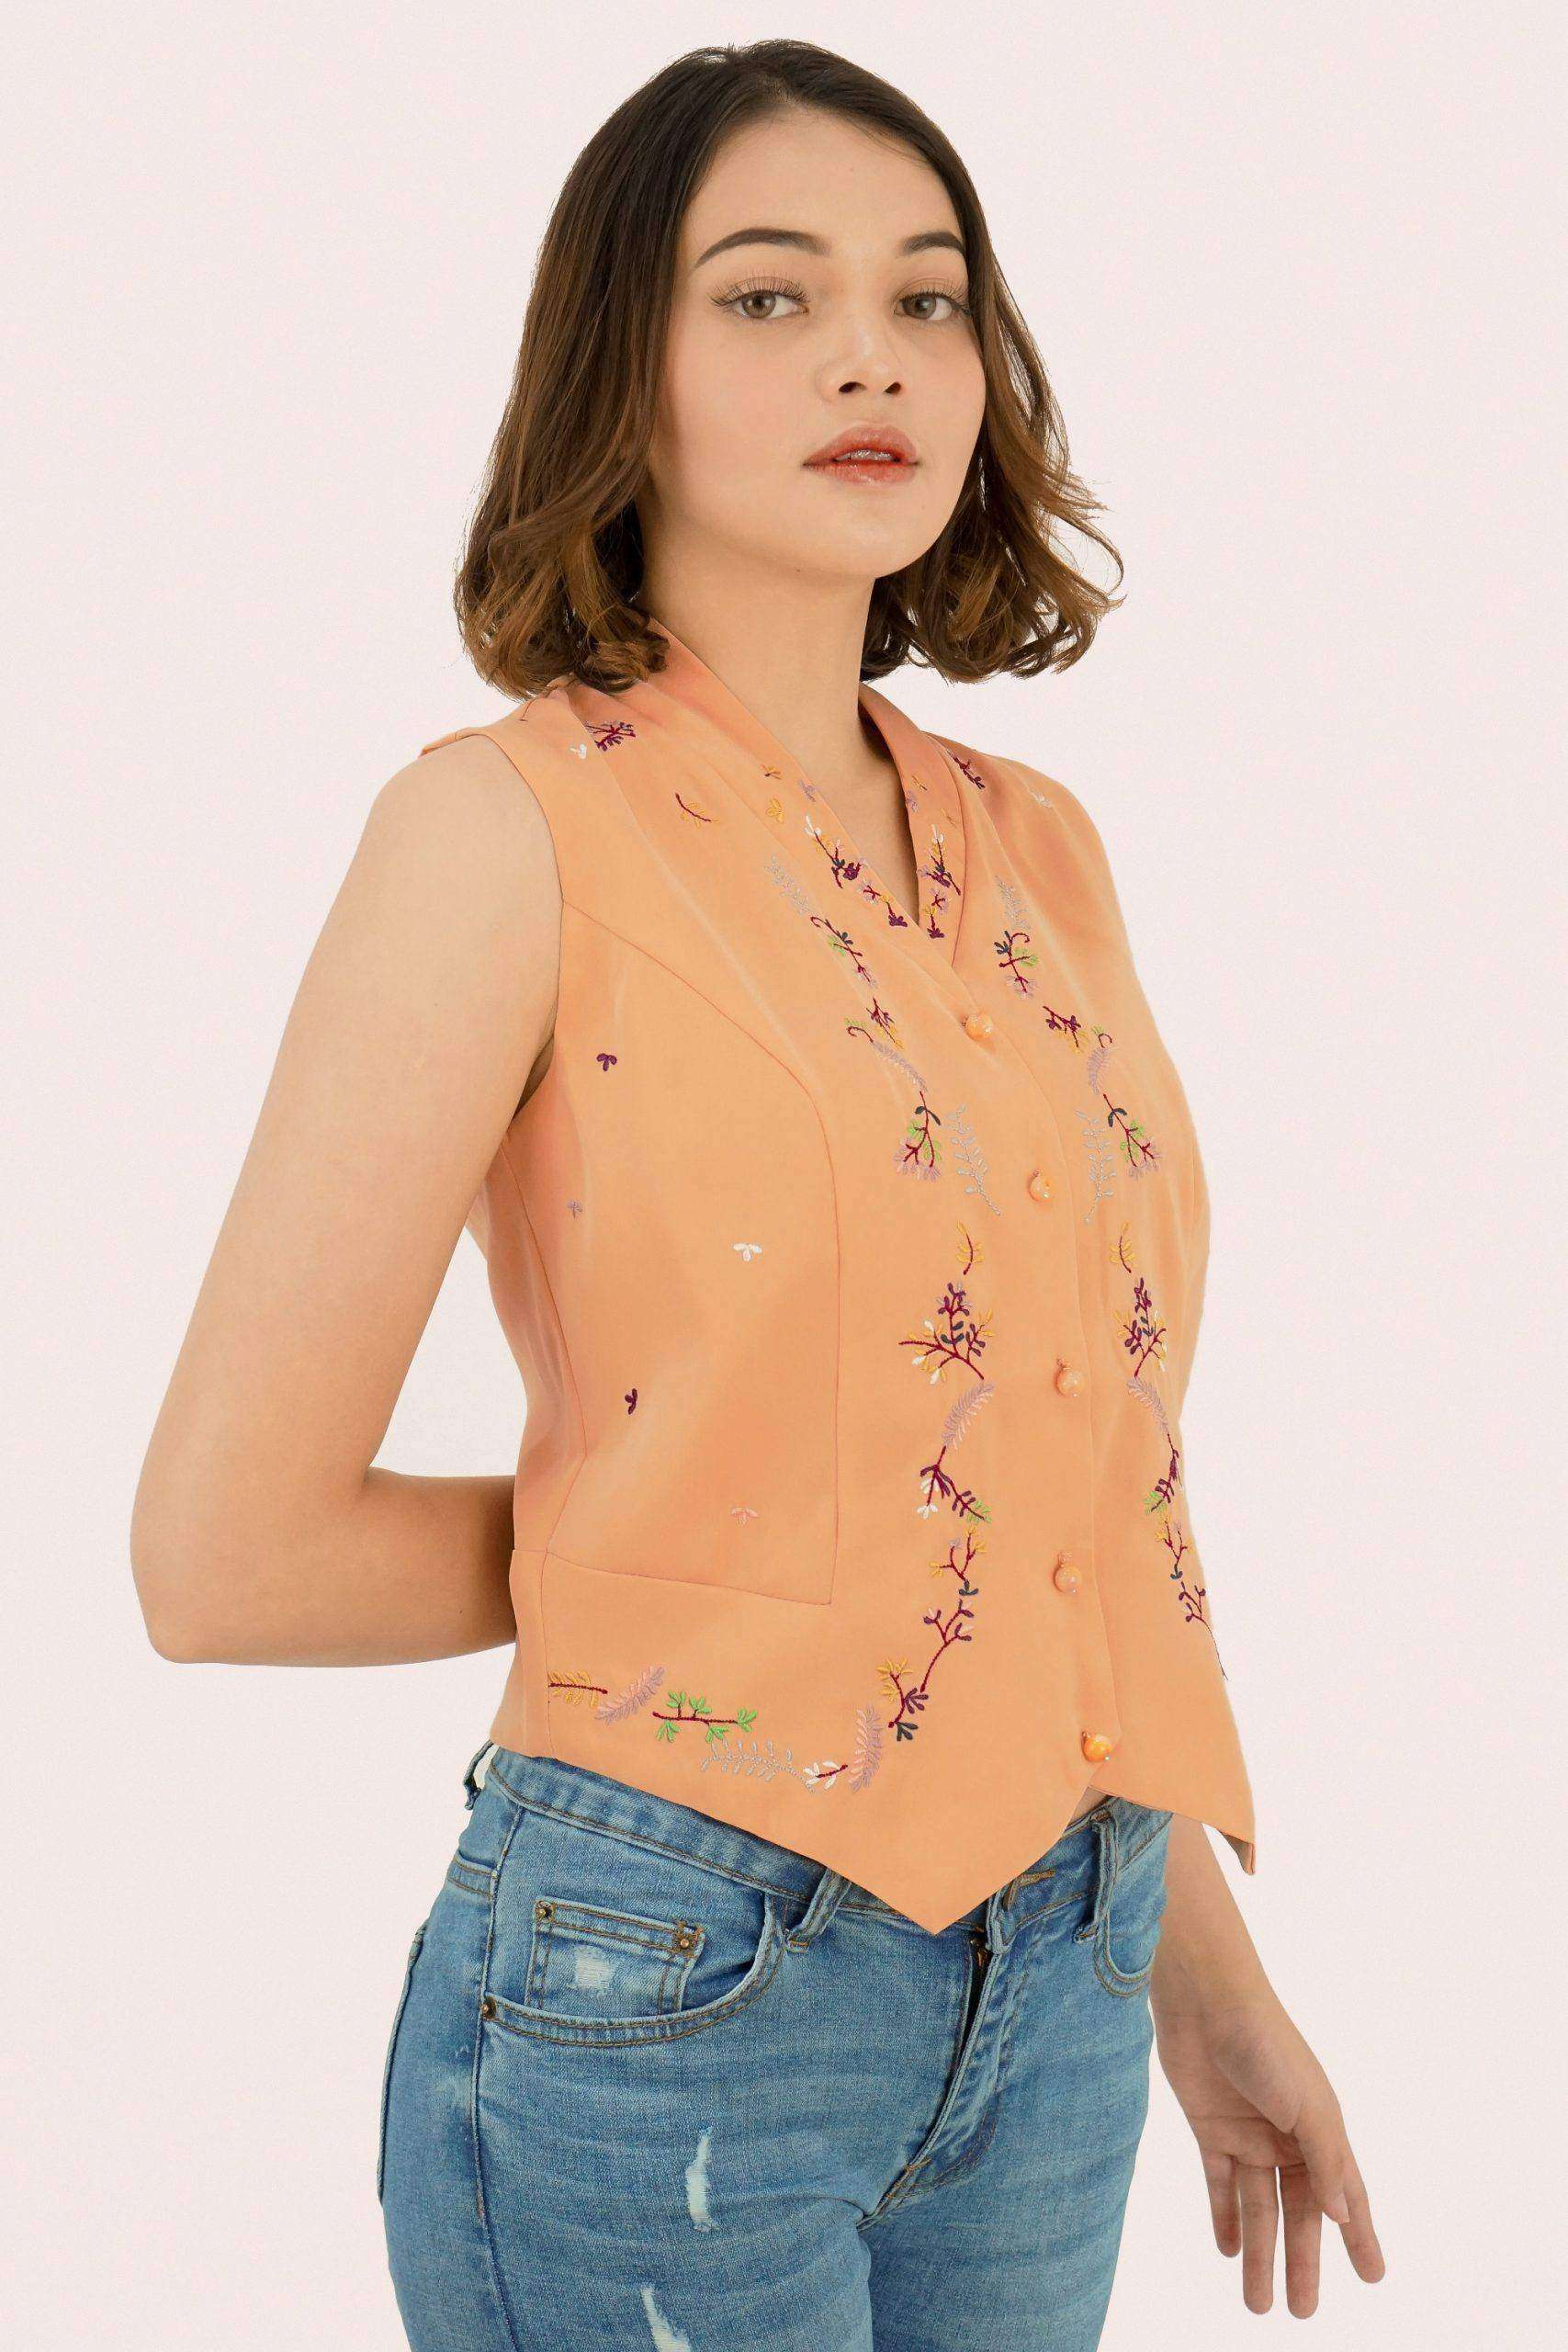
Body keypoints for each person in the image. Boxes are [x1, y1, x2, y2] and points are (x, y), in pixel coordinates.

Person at [130, 38, 1385, 2349]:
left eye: (926, 298)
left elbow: (1073, 1486)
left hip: (1070, 1962)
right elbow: (223, 1558)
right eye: (766, 294)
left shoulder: (1038, 850)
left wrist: (1202, 1979)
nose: (868, 357)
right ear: (620, 364)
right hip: (672, 1974)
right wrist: (730, 1544)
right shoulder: (499, 832)